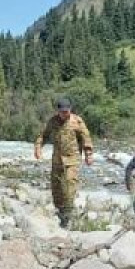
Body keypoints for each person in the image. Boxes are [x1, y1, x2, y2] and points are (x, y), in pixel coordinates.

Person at [33, 98, 94, 228]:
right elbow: (43, 135)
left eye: (66, 112)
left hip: (72, 159)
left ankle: (68, 213)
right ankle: (60, 211)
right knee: (56, 188)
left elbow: (85, 137)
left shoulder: (77, 121)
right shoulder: (53, 121)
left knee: (70, 184)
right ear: (58, 111)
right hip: (57, 160)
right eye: (62, 112)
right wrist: (38, 148)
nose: (64, 114)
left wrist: (88, 154)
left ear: (70, 110)